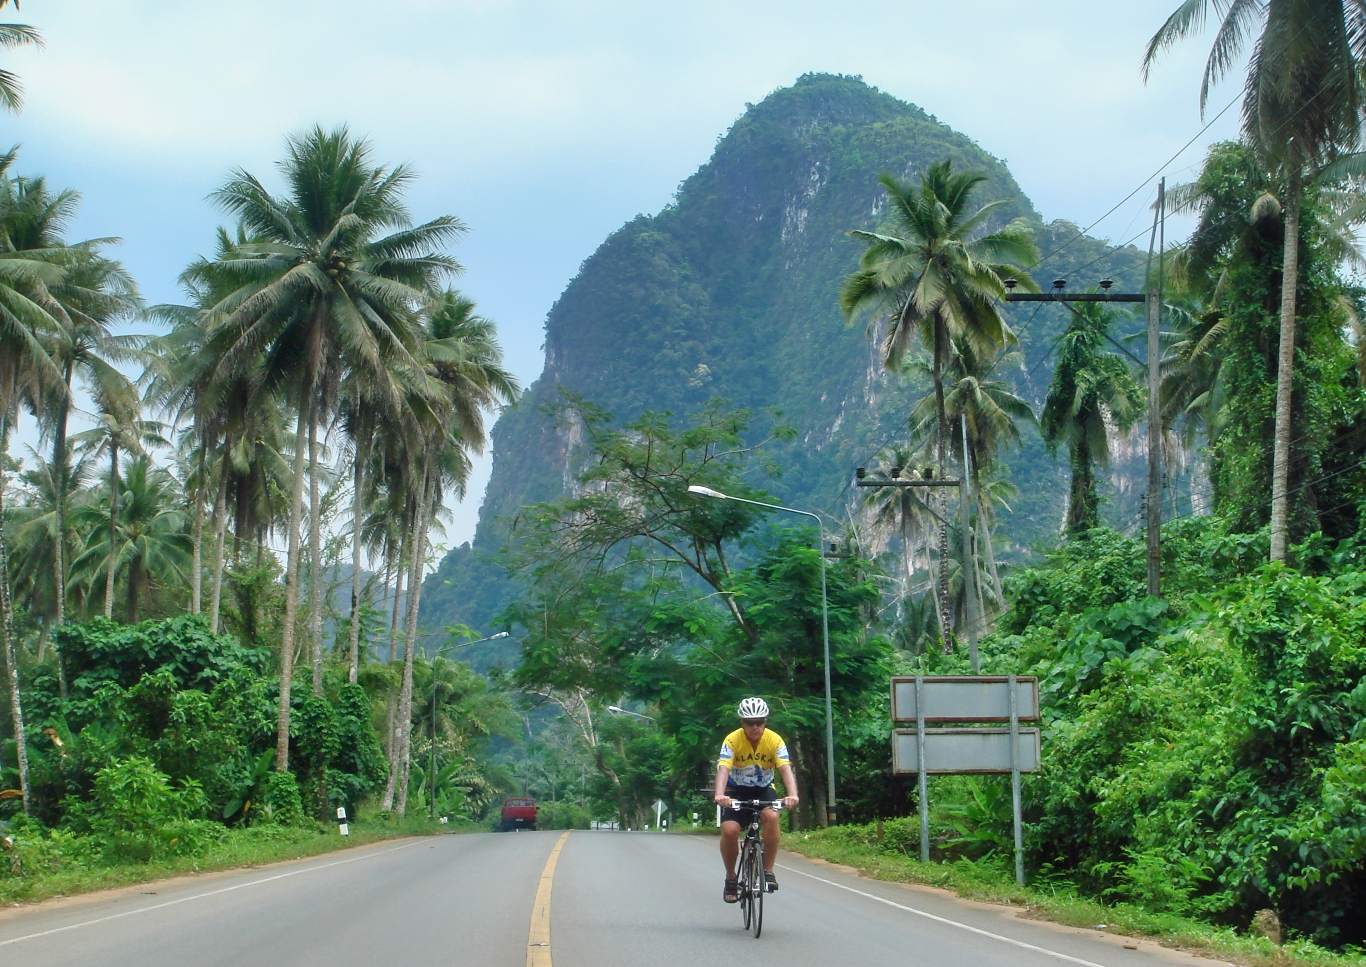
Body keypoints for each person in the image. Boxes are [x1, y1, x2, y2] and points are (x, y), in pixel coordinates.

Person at [713, 696, 799, 903]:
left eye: (760, 722)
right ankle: (731, 878)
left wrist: (793, 794)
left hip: (763, 789)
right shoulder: (732, 740)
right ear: (742, 723)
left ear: (765, 722)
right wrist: (719, 794)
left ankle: (768, 870)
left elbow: (785, 769)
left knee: (771, 817)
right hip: (735, 790)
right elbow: (724, 768)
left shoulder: (775, 740)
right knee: (730, 830)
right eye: (750, 723)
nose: (755, 727)